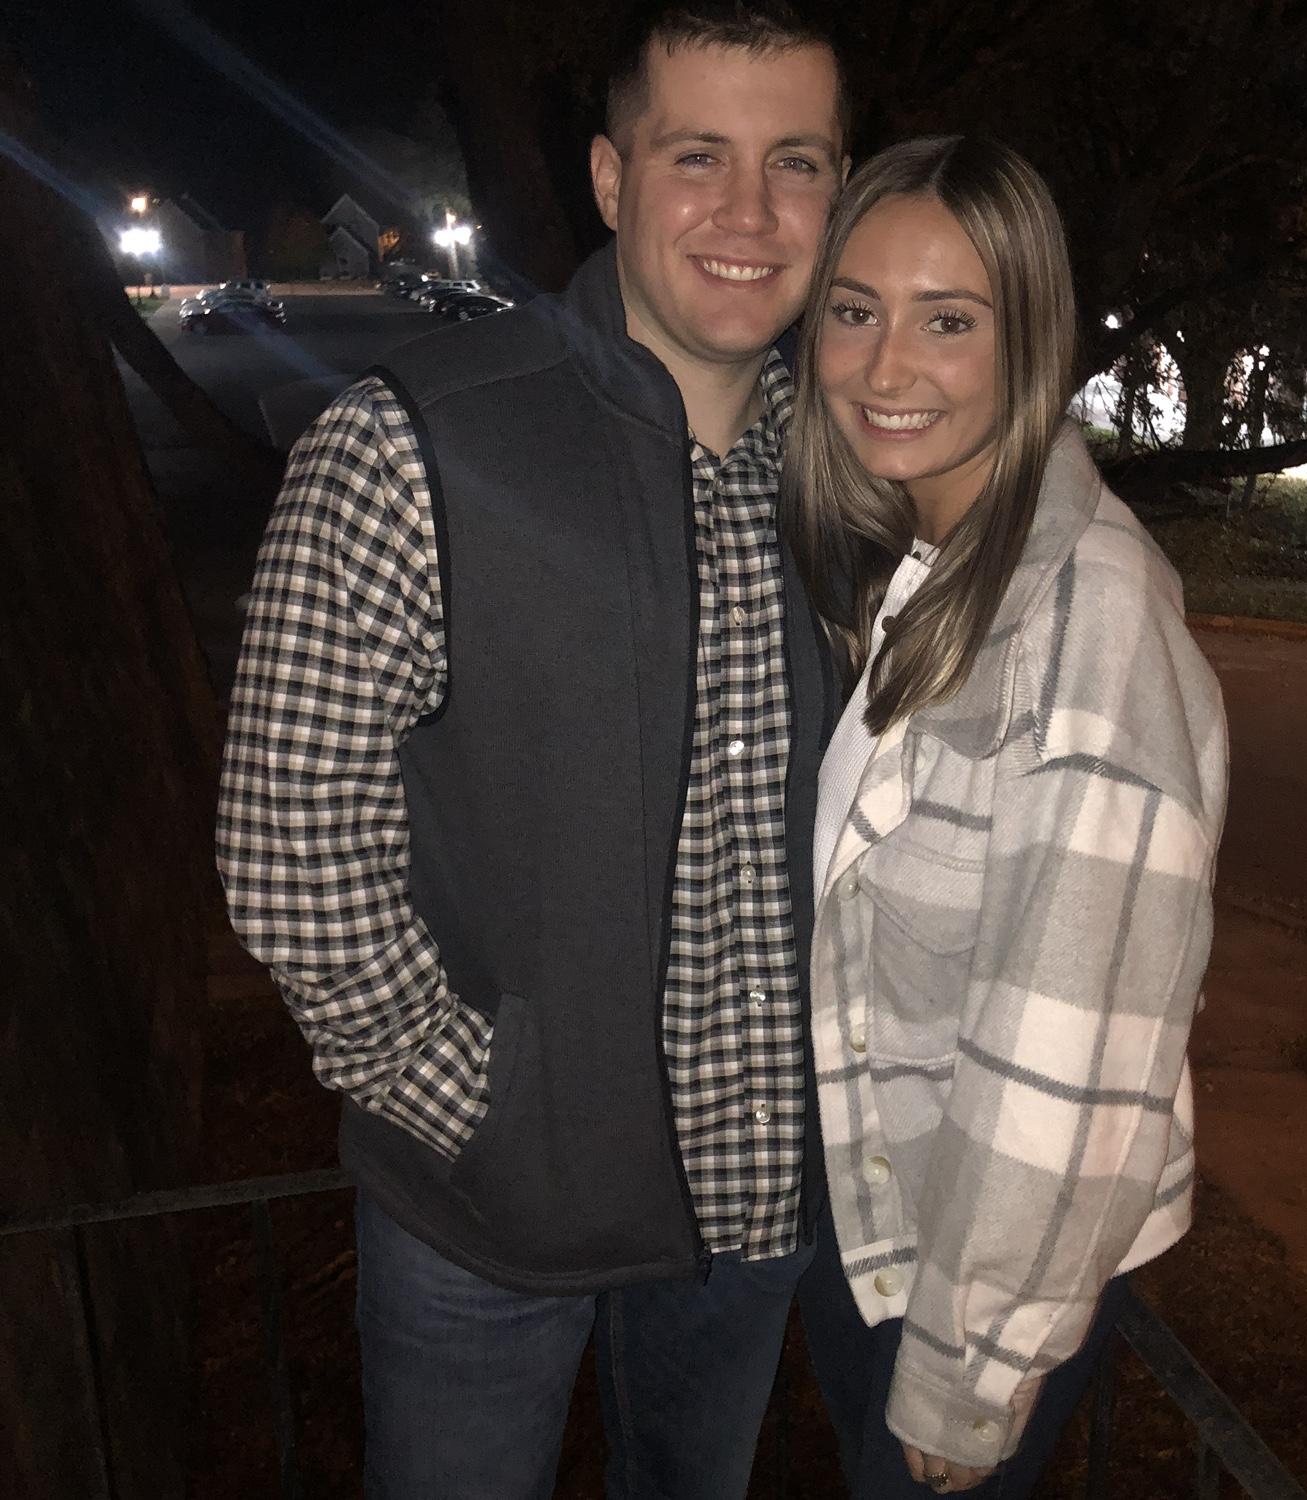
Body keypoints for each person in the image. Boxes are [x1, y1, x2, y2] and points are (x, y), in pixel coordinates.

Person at [215, 6, 850, 1497]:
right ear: (613, 180)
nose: (750, 212)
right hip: (486, 1223)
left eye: (796, 163)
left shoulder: (848, 476)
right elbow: (292, 848)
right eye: (698, 157)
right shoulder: (412, 445)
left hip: (752, 1203)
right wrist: (480, 1108)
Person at [782, 135, 1230, 1497]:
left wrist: (967, 1372)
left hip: (971, 1289)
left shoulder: (1086, 622)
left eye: (949, 320)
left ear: (1031, 341)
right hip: (885, 1234)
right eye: (855, 310)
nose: (885, 367)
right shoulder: (926, 566)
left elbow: (1073, 1052)